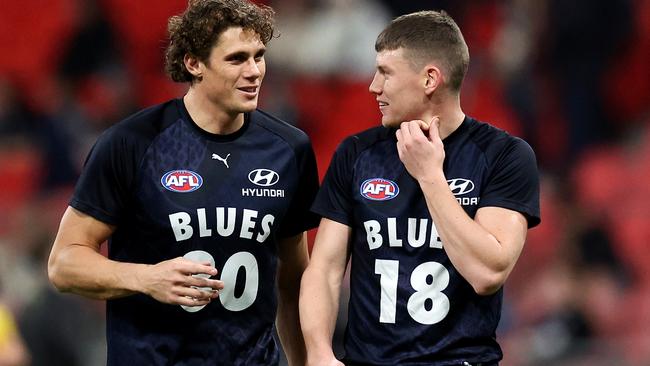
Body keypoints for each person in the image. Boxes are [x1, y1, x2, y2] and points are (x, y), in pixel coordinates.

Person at [47, 0, 319, 365]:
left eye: (259, 55)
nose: (255, 71)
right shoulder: (132, 143)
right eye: (237, 59)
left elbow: (293, 280)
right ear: (193, 64)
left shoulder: (289, 148)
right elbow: (63, 264)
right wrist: (147, 278)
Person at [300, 10, 540, 366]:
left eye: (385, 73)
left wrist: (429, 175)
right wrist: (319, 352)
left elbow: (487, 273)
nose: (373, 86)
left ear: (430, 79)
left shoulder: (504, 156)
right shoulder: (356, 154)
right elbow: (325, 268)